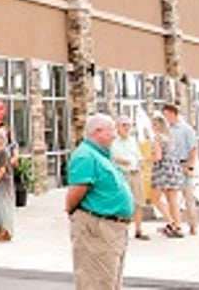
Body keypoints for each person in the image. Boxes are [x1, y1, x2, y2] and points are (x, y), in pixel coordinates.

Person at [66, 113, 134, 290]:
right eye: (111, 130)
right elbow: (76, 192)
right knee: (96, 282)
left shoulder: (101, 155)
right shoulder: (86, 156)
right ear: (97, 132)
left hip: (112, 230)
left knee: (108, 282)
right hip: (98, 229)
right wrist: (74, 213)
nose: (115, 134)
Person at [111, 114, 149, 241]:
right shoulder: (113, 142)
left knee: (138, 202)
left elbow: (139, 156)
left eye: (129, 125)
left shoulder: (133, 140)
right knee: (123, 203)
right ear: (117, 127)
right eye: (124, 125)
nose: (127, 128)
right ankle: (122, 231)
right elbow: (110, 158)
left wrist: (141, 162)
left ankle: (138, 230)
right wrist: (120, 161)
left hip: (135, 173)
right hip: (123, 174)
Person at [164, 103, 199, 235]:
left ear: (173, 114)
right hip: (170, 165)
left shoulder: (186, 129)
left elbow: (193, 149)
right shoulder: (167, 129)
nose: (166, 118)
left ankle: (193, 225)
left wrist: (190, 166)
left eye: (167, 115)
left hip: (183, 164)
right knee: (172, 197)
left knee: (188, 196)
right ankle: (175, 224)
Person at [150, 112, 184, 237]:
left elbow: (158, 157)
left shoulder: (157, 138)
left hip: (162, 171)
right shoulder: (169, 138)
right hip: (173, 170)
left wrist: (148, 159)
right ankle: (178, 225)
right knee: (172, 200)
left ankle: (170, 222)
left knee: (156, 198)